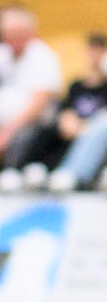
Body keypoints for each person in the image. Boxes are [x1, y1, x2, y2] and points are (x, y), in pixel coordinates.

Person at [0, 7, 64, 190]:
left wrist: (7, 131)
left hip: (30, 124)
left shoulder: (43, 56)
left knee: (24, 137)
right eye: (9, 33)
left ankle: (12, 173)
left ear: (31, 32)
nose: (14, 37)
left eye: (19, 32)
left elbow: (39, 103)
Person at [48, 35, 107, 192]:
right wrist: (68, 120)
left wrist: (87, 127)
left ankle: (73, 173)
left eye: (100, 51)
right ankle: (37, 169)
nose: (95, 56)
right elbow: (66, 111)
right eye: (92, 51)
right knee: (49, 126)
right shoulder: (77, 85)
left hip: (96, 133)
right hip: (76, 134)